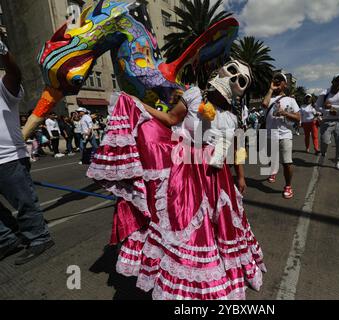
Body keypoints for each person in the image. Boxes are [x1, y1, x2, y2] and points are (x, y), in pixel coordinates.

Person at [87, 60, 265, 300]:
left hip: (218, 177)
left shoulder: (232, 118)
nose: (234, 80)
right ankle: (187, 279)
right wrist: (140, 105)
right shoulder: (193, 96)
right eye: (232, 73)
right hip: (187, 172)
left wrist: (240, 176)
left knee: (221, 226)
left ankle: (223, 272)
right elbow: (170, 119)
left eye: (241, 80)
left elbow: (236, 149)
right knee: (186, 224)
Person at [0, 37, 54, 265]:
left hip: (9, 158)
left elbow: (15, 74)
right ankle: (7, 239)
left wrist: (3, 51)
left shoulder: (4, 86)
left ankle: (39, 238)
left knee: (24, 202)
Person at [261, 72, 301, 199]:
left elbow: (298, 118)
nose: (277, 81)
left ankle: (288, 186)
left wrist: (284, 113)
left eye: (280, 80)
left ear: (285, 84)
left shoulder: (291, 100)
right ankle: (273, 171)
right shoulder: (269, 97)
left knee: (287, 162)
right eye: (275, 79)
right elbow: (264, 105)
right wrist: (270, 90)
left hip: (285, 135)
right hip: (270, 134)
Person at [315, 74, 339, 172]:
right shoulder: (325, 93)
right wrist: (328, 111)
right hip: (326, 121)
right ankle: (323, 151)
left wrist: (332, 107)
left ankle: (338, 162)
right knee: (324, 141)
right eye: (337, 81)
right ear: (332, 82)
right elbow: (317, 107)